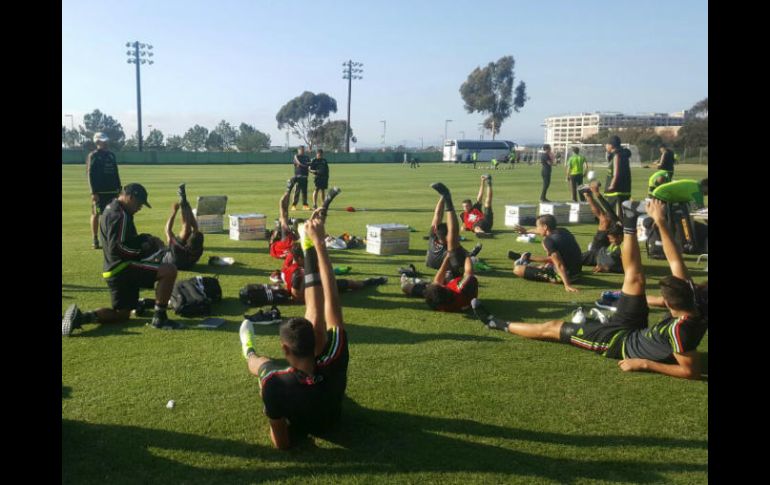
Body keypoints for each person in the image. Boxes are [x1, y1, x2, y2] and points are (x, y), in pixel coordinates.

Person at [473, 198, 708, 380]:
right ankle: (628, 222)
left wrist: (644, 364)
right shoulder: (695, 300)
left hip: (618, 342)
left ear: (670, 304)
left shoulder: (681, 330)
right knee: (635, 279)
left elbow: (691, 372)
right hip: (635, 329)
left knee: (553, 327)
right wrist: (660, 221)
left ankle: (496, 323)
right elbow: (675, 259)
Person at [239, 213, 350, 449]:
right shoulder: (336, 356)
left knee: (262, 364)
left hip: (294, 408)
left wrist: (269, 405)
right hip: (332, 419)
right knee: (315, 315)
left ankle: (247, 349)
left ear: (285, 348)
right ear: (315, 345)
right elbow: (333, 304)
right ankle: (308, 248)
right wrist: (318, 244)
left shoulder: (274, 384)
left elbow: (282, 444)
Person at [62, 184, 182, 336]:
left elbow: (125, 241)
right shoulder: (120, 215)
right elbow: (119, 248)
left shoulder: (112, 209)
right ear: (130, 197)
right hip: (123, 268)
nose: (140, 208)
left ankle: (82, 318)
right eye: (139, 204)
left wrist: (146, 238)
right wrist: (145, 250)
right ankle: (160, 318)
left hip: (112, 269)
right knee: (169, 270)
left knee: (121, 314)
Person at [404, 182, 478, 311]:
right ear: (446, 287)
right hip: (455, 273)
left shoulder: (438, 304)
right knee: (453, 243)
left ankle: (410, 282)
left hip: (441, 269)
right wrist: (467, 256)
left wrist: (445, 261)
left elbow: (436, 282)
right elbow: (469, 274)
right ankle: (447, 198)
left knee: (406, 288)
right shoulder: (461, 289)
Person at [511, 214, 582, 292]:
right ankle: (528, 258)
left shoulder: (548, 241)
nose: (537, 229)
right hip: (577, 273)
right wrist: (526, 231)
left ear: (545, 227)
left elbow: (559, 264)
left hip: (568, 276)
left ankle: (527, 259)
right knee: (550, 261)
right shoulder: (564, 231)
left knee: (517, 269)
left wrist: (567, 285)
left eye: (537, 226)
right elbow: (539, 231)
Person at [425, 192, 481, 278]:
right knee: (469, 258)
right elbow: (452, 228)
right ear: (448, 236)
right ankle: (471, 254)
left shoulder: (433, 236)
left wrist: (442, 197)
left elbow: (437, 215)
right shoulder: (450, 246)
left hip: (430, 263)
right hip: (444, 266)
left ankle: (471, 253)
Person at [156, 184, 204, 270]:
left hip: (170, 258)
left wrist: (174, 212)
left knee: (187, 229)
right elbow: (195, 229)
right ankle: (184, 201)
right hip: (185, 261)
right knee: (191, 230)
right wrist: (187, 207)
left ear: (187, 244)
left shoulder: (177, 250)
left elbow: (168, 230)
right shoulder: (199, 250)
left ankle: (184, 200)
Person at [578, 182, 623, 273]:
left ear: (620, 237)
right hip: (599, 250)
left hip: (600, 254)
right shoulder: (619, 224)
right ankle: (587, 193)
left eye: (611, 239)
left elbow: (624, 267)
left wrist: (605, 267)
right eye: (610, 239)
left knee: (604, 219)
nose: (610, 241)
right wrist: (597, 194)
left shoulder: (627, 243)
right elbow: (609, 210)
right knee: (605, 219)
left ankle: (586, 194)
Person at [87, 132, 121, 249]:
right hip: (99, 193)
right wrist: (93, 192)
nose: (105, 143)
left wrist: (119, 188)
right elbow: (90, 174)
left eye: (106, 141)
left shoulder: (111, 155)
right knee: (96, 214)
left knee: (112, 214)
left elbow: (116, 173)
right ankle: (95, 239)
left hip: (112, 191)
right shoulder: (93, 156)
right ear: (97, 142)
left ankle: (110, 238)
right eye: (103, 141)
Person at [604, 135, 632, 218]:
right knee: (622, 212)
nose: (606, 146)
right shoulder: (622, 154)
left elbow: (616, 172)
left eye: (607, 144)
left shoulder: (617, 155)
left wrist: (612, 185)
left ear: (611, 145)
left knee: (615, 213)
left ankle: (617, 229)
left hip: (616, 190)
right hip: (624, 188)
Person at [291, 146, 311, 210]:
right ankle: (294, 205)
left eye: (303, 150)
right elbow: (298, 164)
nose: (302, 151)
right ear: (298, 150)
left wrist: (309, 166)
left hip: (305, 176)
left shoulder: (307, 157)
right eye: (301, 150)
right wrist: (304, 165)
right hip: (298, 176)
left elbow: (309, 165)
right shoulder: (296, 157)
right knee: (297, 191)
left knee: (304, 192)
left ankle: (305, 205)